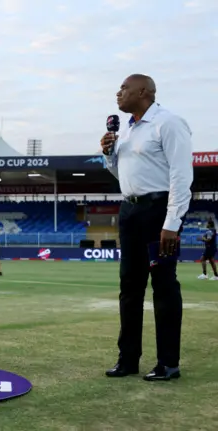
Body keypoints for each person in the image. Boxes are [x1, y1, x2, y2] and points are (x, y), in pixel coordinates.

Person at [101, 74, 194, 381]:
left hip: (158, 211)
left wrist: (172, 222)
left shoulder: (168, 123)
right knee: (129, 288)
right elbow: (122, 175)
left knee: (164, 286)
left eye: (123, 88)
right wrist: (108, 154)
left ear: (143, 91)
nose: (118, 93)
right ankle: (128, 359)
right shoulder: (126, 130)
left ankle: (168, 363)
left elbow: (181, 176)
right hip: (130, 210)